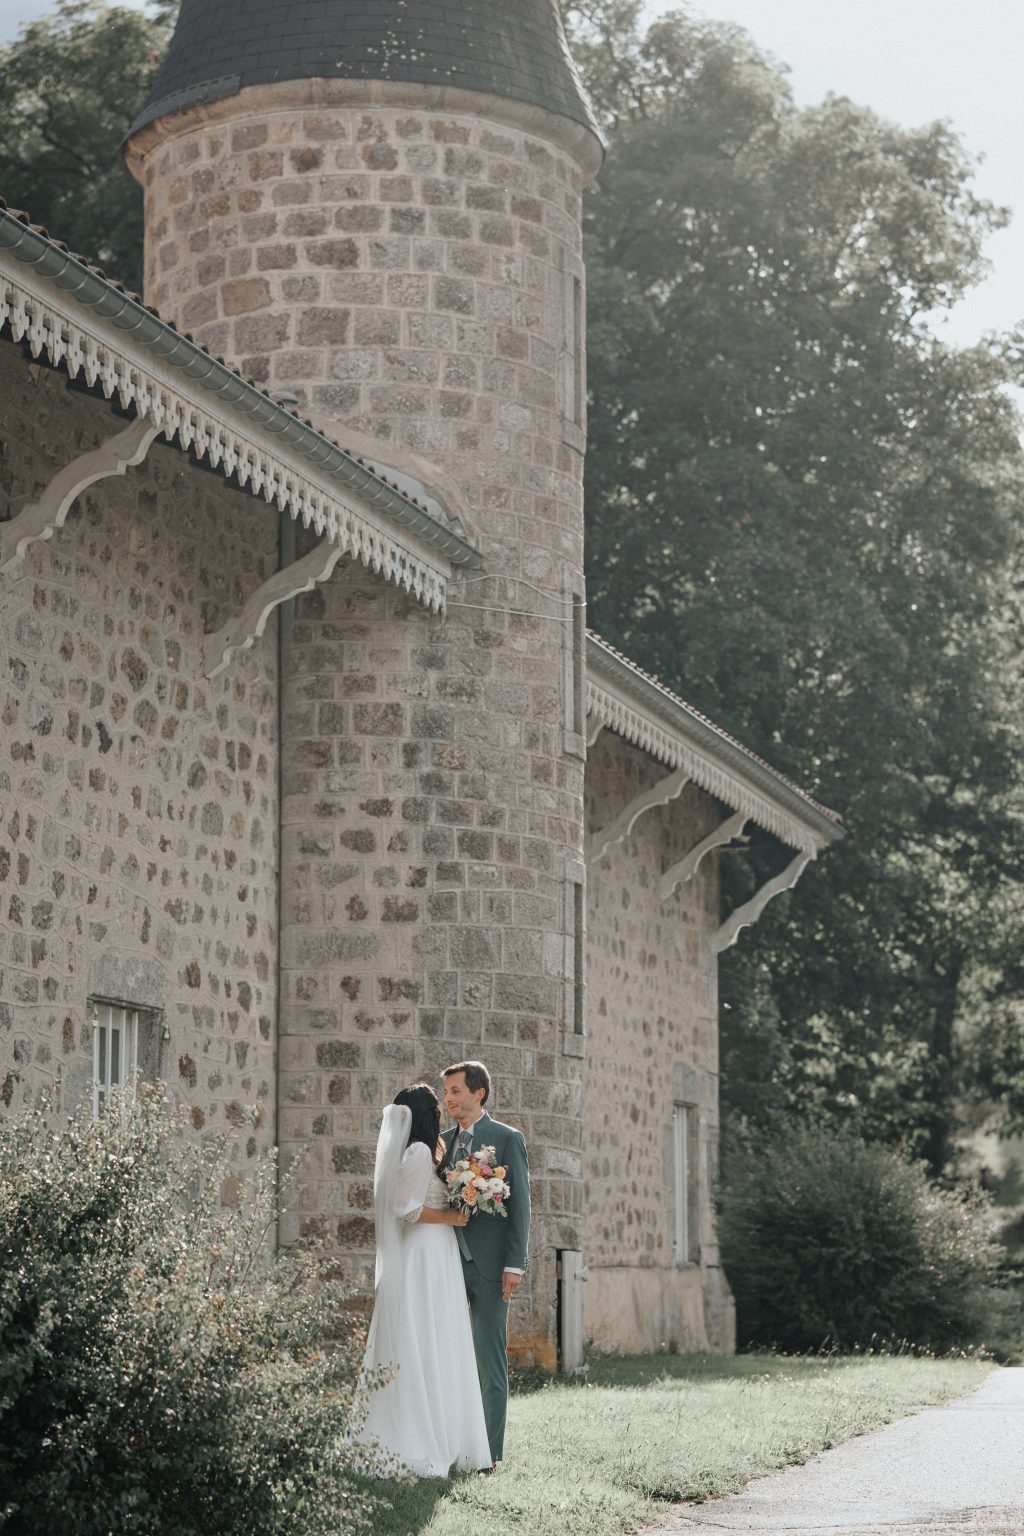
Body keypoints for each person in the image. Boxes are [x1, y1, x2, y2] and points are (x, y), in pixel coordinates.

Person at [354, 1082, 492, 1478]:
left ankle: (448, 1431)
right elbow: (405, 1209)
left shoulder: (427, 1151)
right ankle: (416, 1434)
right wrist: (451, 1216)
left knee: (439, 1335)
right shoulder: (416, 1151)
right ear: (426, 1114)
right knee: (424, 1334)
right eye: (436, 1105)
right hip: (423, 1254)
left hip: (437, 1251)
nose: (442, 1108)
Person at [441, 1060, 530, 1469]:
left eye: (456, 1091)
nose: (449, 1099)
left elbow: (521, 1206)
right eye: (446, 1092)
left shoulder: (507, 1138)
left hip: (493, 1267)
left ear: (479, 1093)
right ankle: (450, 1444)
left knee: (489, 1359)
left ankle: (490, 1453)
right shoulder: (441, 1143)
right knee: (446, 1354)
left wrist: (515, 1264)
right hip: (446, 1261)